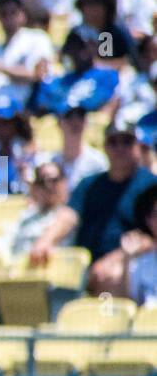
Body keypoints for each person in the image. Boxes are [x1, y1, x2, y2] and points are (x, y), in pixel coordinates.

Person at [33, 119, 156, 294]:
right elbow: (69, 216)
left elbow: (150, 236)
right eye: (113, 142)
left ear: (137, 146)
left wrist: (118, 258)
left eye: (126, 142)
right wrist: (46, 240)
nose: (120, 148)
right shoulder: (90, 184)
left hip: (132, 260)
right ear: (105, 147)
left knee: (110, 278)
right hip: (86, 261)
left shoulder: (150, 185)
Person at [123, 184, 157, 304]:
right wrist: (127, 259)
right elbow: (131, 303)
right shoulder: (140, 263)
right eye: (156, 215)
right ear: (148, 220)